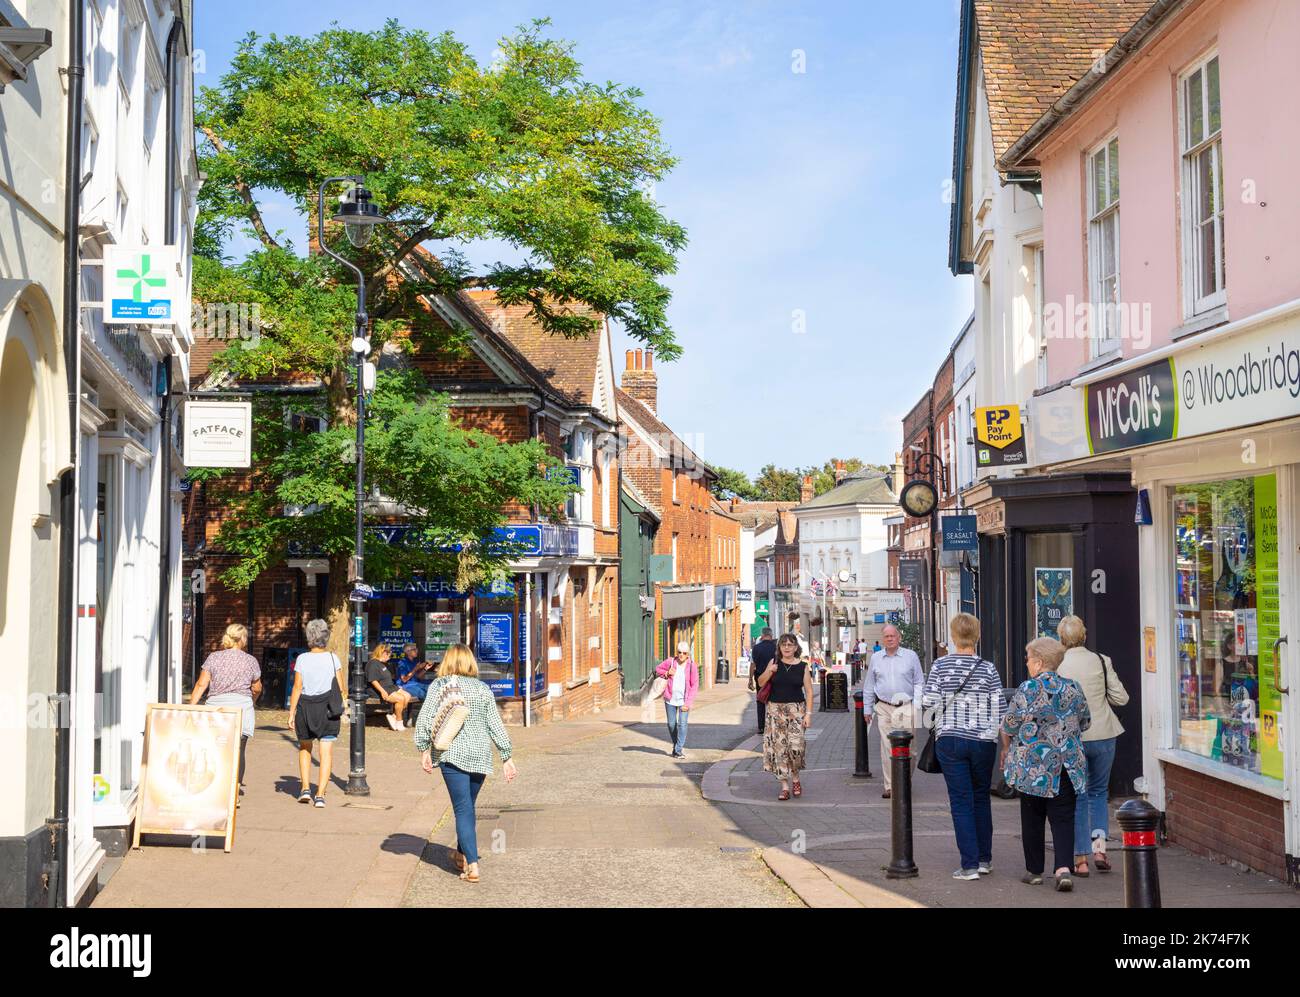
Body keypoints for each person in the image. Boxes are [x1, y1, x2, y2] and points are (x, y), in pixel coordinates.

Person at [415, 644, 516, 884]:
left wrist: (423, 749)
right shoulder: (482, 689)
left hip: (452, 755)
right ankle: (461, 855)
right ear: (470, 662)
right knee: (467, 807)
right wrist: (506, 756)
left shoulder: (439, 686)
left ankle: (473, 865)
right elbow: (495, 724)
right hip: (480, 756)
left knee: (462, 809)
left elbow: (425, 720)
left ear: (448, 661)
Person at [1001, 636, 1091, 892]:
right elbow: (1085, 721)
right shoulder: (1073, 687)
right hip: (1066, 764)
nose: (1027, 662)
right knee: (1063, 817)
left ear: (1039, 662)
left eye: (1029, 658)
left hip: (1033, 767)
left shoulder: (1027, 689)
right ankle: (1063, 868)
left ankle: (1035, 871)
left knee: (1032, 817)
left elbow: (1009, 725)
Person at [922, 613, 1005, 881]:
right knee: (981, 797)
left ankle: (968, 865)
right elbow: (1001, 709)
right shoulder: (988, 668)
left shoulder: (940, 666)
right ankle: (984, 859)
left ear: (954, 637)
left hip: (951, 739)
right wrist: (1006, 746)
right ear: (977, 636)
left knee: (961, 801)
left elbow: (928, 703)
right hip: (984, 741)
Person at [1057, 614, 1129, 876]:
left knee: (1078, 796)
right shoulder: (1101, 660)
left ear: (1061, 639)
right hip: (1103, 734)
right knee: (1099, 793)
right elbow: (1121, 698)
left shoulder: (1059, 664)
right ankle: (1099, 848)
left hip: (1073, 738)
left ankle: (1081, 860)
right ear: (1084, 636)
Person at [190, 623, 262, 799]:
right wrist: (251, 701)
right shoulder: (250, 660)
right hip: (241, 707)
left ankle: (214, 788)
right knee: (239, 750)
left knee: (214, 749)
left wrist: (191, 708)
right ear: (243, 639)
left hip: (217, 708)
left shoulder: (213, 658)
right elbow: (257, 687)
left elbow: (201, 684)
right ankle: (235, 791)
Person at [287, 619, 347, 808]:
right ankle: (320, 795)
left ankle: (305, 788)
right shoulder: (333, 658)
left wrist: (291, 712)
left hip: (305, 706)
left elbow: (297, 686)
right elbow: (342, 687)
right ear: (326, 637)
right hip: (328, 708)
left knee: (305, 748)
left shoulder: (302, 659)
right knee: (326, 752)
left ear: (309, 637)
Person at [862, 623, 924, 799]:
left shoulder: (910, 656)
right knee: (887, 747)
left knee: (909, 749)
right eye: (886, 636)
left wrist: (917, 706)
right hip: (884, 707)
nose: (889, 639)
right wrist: (867, 709)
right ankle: (890, 785)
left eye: (893, 636)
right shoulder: (876, 658)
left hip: (906, 707)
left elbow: (919, 682)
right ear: (883, 639)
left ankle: (904, 780)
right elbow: (869, 685)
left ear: (899, 637)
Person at [757, 633, 814, 800]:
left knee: (796, 748)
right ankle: (784, 786)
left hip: (796, 711)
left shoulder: (803, 666)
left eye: (790, 645)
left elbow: (809, 691)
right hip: (775, 711)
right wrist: (769, 671)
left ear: (796, 647)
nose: (787, 647)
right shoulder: (773, 663)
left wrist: (808, 714)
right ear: (779, 648)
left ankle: (795, 777)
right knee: (779, 750)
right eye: (784, 645)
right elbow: (760, 682)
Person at [655, 642, 698, 758]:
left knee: (682, 724)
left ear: (688, 654)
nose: (681, 655)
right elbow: (657, 669)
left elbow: (694, 686)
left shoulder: (692, 666)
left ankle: (678, 750)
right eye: (679, 652)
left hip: (684, 701)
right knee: (671, 724)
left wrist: (688, 703)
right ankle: (676, 745)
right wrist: (666, 673)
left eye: (684, 653)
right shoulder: (671, 662)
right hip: (670, 699)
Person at [366, 641, 414, 731]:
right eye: (388, 655)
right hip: (380, 689)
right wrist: (382, 691)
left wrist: (397, 688)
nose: (389, 657)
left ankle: (394, 716)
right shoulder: (372, 663)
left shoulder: (384, 664)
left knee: (407, 695)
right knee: (400, 699)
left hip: (390, 686)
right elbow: (373, 680)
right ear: (383, 653)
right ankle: (399, 722)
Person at [748, 628, 778, 735]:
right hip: (774, 678)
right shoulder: (776, 648)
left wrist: (750, 679)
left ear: (762, 635)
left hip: (760, 678)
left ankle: (761, 727)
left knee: (760, 700)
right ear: (771, 635)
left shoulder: (756, 648)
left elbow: (752, 665)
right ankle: (773, 725)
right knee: (773, 701)